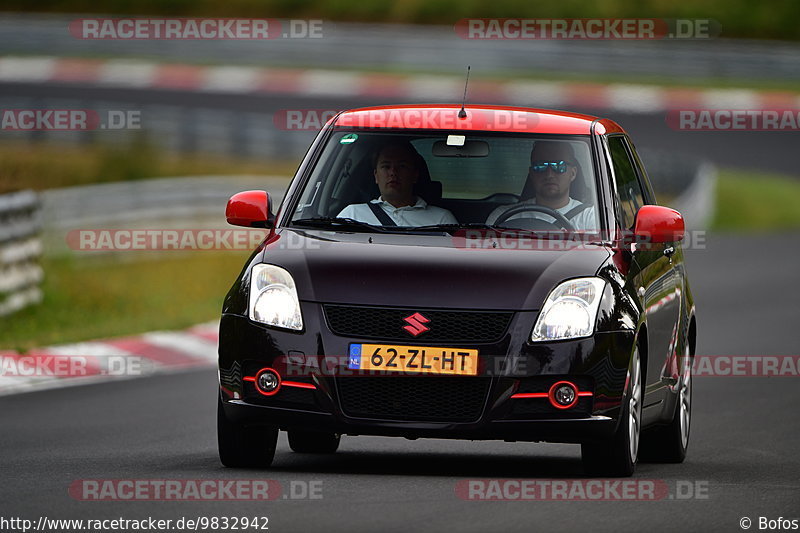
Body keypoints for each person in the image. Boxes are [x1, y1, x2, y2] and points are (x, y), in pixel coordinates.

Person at [337, 142, 458, 226]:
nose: (393, 173)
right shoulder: (351, 216)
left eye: (402, 166)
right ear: (376, 176)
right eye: (386, 166)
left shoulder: (442, 219)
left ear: (415, 175)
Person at [485, 141, 596, 230]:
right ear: (532, 174)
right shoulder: (503, 217)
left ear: (573, 173)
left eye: (558, 166)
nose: (549, 174)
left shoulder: (591, 218)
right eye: (540, 166)